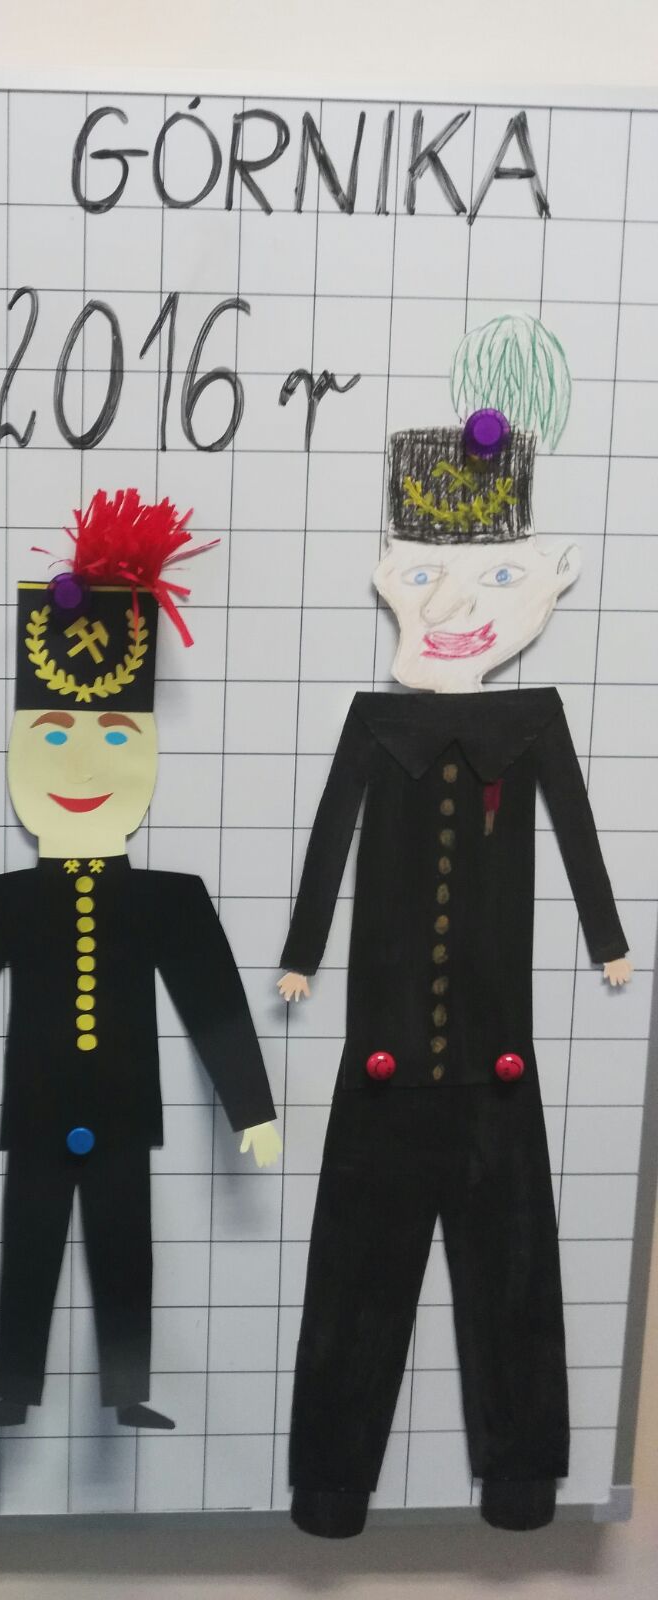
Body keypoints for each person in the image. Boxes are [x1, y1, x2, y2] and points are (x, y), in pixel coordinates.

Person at [0, 489, 282, 1429]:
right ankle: (15, 1390)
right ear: (22, 754)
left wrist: (251, 1108)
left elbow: (212, 1000)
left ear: (145, 756)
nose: (82, 767)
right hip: (40, 1111)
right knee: (32, 1243)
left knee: (127, 1248)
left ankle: (128, 1394)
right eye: (54, 737)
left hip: (125, 1112)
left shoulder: (170, 899)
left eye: (112, 739)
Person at [278, 409, 631, 1535]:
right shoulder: (374, 722)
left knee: (514, 1269)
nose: (449, 607)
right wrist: (301, 956)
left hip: (498, 1061)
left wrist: (609, 938)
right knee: (356, 1272)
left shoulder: (532, 722)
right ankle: (330, 1490)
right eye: (424, 575)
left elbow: (576, 830)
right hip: (379, 1061)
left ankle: (522, 1483)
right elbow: (331, 836)